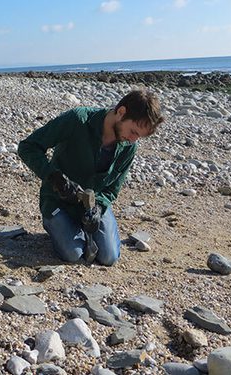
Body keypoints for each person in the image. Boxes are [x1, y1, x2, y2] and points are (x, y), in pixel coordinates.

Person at [18, 89, 164, 266]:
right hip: (57, 201)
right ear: (121, 112)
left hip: (91, 207)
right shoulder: (77, 119)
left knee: (109, 257)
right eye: (133, 132)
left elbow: (112, 190)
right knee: (73, 254)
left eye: (138, 136)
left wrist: (99, 208)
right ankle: (59, 227)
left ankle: (83, 229)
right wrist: (53, 176)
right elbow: (28, 147)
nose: (133, 140)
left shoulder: (128, 147)